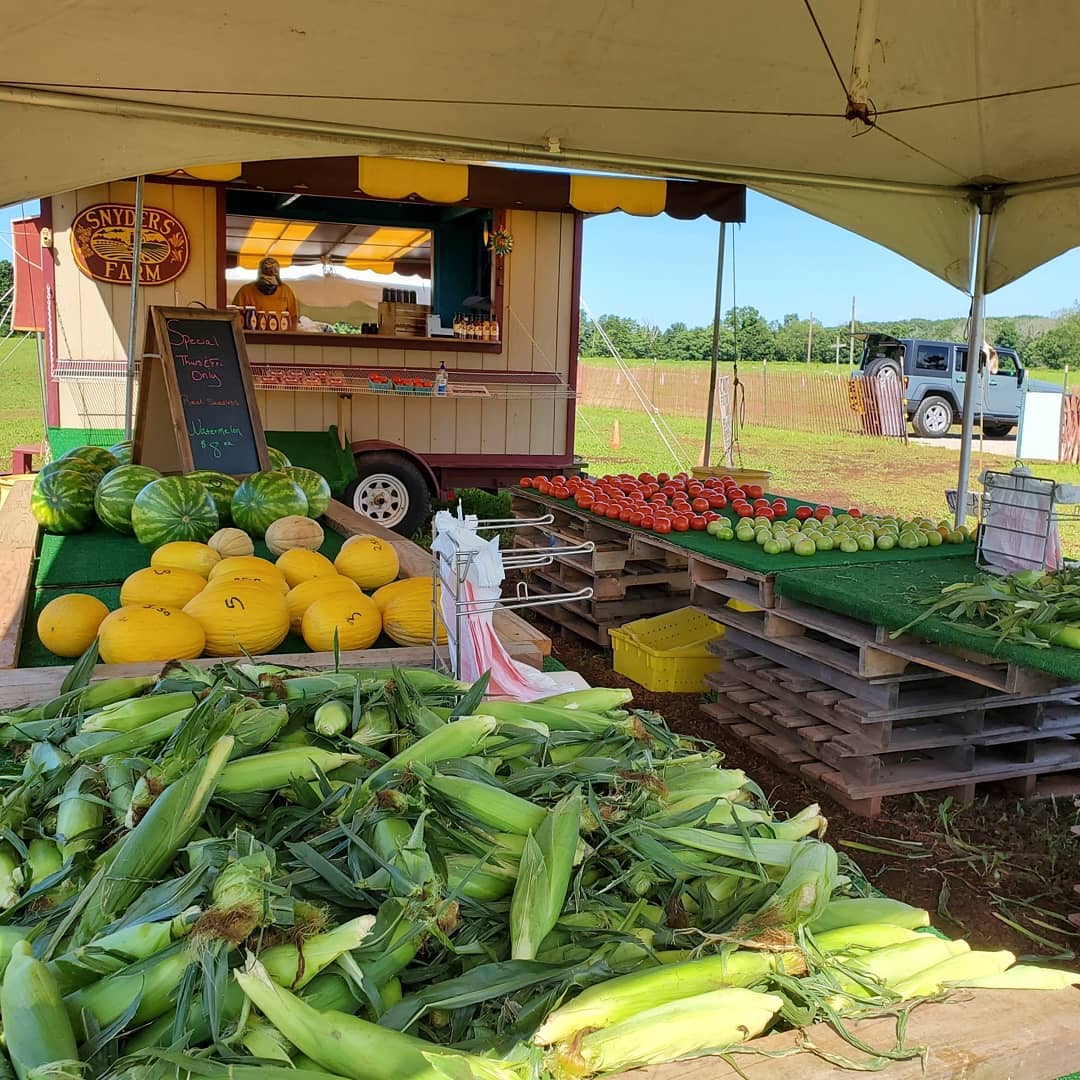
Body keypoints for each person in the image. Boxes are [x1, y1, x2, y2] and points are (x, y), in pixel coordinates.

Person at [232, 256, 299, 323]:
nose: (268, 286)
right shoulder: (245, 291)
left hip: (281, 332)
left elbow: (293, 317)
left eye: (271, 283)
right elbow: (234, 317)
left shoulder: (286, 291)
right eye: (265, 281)